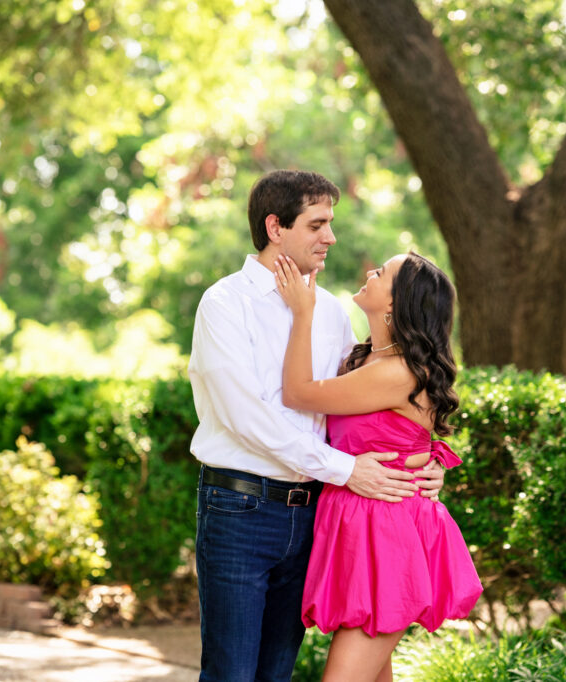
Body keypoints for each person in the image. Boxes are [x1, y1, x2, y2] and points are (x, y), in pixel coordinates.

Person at [187, 169, 445, 682]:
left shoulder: (330, 313)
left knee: (276, 671)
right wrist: (345, 469)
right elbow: (246, 418)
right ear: (275, 227)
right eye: (317, 224)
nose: (331, 237)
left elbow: (368, 412)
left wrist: (424, 466)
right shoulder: (224, 304)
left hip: (312, 515)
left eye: (330, 223)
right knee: (232, 673)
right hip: (240, 508)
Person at [273, 250, 483, 682]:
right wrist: (433, 458)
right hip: (361, 531)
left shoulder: (399, 371)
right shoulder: (364, 358)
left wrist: (302, 313)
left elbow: (296, 394)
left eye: (382, 272)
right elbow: (399, 433)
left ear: (395, 302)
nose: (370, 272)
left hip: (390, 537)